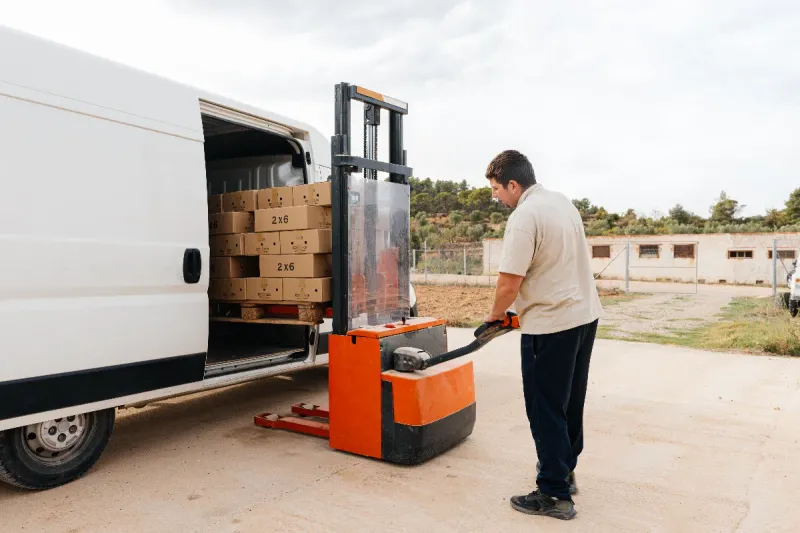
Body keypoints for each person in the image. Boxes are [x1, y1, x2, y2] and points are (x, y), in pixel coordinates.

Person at [483, 150, 602, 521]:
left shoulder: (523, 217)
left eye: (497, 189)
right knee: (569, 402)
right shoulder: (562, 203)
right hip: (584, 317)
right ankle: (564, 471)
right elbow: (553, 264)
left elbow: (509, 281)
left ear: (514, 185)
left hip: (551, 325)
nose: (495, 197)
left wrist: (494, 317)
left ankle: (553, 494)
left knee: (544, 407)